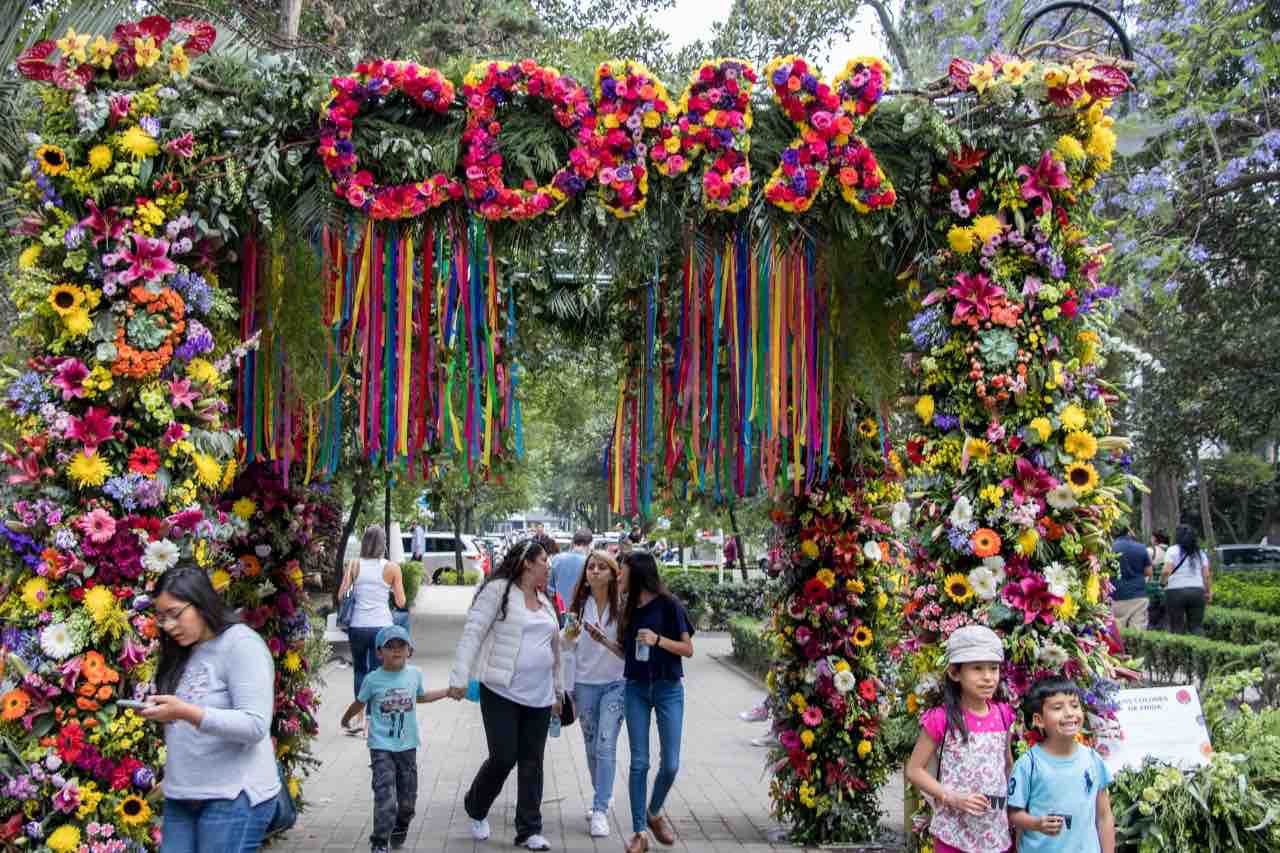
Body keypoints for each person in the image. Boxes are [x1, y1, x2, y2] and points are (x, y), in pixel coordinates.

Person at [143, 565, 279, 853]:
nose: (168, 625)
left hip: (234, 797)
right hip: (182, 795)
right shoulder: (181, 650)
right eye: (161, 617)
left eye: (176, 614)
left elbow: (255, 725)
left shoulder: (241, 645)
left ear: (202, 602)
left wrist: (185, 712)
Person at [447, 539, 564, 851]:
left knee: (532, 762)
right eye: (545, 563)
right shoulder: (498, 591)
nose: (548, 568)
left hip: (539, 696)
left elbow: (554, 650)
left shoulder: (546, 601)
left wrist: (558, 692)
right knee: (503, 756)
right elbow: (473, 632)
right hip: (500, 689)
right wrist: (459, 677)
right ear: (528, 563)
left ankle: (529, 830)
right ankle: (476, 805)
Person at [904, 624, 1013, 853]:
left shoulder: (1004, 714)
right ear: (955, 673)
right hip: (953, 834)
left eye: (993, 668)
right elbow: (914, 770)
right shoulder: (940, 718)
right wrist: (951, 797)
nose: (987, 677)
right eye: (977, 669)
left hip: (995, 832)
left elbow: (1007, 764)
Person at [341, 625, 448, 853]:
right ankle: (379, 841)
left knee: (408, 802)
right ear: (379, 653)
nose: (396, 651)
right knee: (385, 796)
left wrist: (446, 692)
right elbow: (360, 702)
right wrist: (346, 718)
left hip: (407, 747)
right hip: (381, 747)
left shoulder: (414, 674)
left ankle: (400, 828)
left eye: (401, 646)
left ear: (410, 650)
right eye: (390, 647)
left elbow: (420, 697)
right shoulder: (372, 679)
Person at [619, 550, 695, 853]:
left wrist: (657, 640)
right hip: (636, 688)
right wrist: (603, 641)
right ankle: (640, 832)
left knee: (671, 764)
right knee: (639, 763)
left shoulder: (669, 605)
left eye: (622, 571)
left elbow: (688, 650)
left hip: (668, 689)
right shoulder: (627, 607)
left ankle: (653, 811)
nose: (618, 576)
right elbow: (627, 653)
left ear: (637, 573)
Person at [1008, 677, 1115, 853]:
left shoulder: (1093, 759)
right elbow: (1013, 814)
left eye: (1074, 705)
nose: (1069, 713)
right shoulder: (1028, 764)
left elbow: (1104, 816)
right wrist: (1036, 824)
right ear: (1039, 719)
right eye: (1058, 708)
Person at [562, 551, 626, 838]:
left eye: (602, 567)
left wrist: (605, 640)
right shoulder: (578, 606)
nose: (596, 571)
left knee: (605, 744)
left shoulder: (623, 607)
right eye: (591, 567)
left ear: (613, 574)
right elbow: (566, 649)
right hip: (585, 684)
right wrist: (568, 688)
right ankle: (602, 792)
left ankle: (600, 810)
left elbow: (629, 653)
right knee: (590, 746)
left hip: (616, 684)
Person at [338, 525, 408, 734]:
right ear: (383, 544)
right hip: (382, 628)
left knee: (360, 670)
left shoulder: (354, 565)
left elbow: (342, 595)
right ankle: (372, 720)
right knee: (378, 673)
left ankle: (359, 718)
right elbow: (401, 601)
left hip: (357, 626)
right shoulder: (392, 568)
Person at [1161, 524, 1213, 635]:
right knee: (1196, 626)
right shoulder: (1200, 553)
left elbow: (1166, 571)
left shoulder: (1172, 550)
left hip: (1175, 591)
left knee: (1177, 626)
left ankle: (1178, 650)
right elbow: (1206, 575)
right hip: (1197, 591)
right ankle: (1198, 648)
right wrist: (1208, 592)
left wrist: (1163, 583)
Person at [1110, 526, 1152, 630]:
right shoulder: (1141, 548)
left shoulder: (1109, 548)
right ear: (1128, 532)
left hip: (1115, 596)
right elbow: (1149, 572)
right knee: (1137, 635)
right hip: (1138, 597)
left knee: (1118, 634)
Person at [549, 529, 592, 614]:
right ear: (590, 544)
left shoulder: (557, 559)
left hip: (560, 611)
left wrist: (562, 609)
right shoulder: (589, 563)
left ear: (573, 542)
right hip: (580, 613)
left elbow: (552, 591)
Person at [1145, 531, 1170, 630]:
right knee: (1165, 621)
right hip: (1168, 591)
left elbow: (1146, 571)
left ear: (1155, 539)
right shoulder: (1172, 551)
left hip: (1152, 591)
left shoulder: (1151, 551)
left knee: (1152, 621)